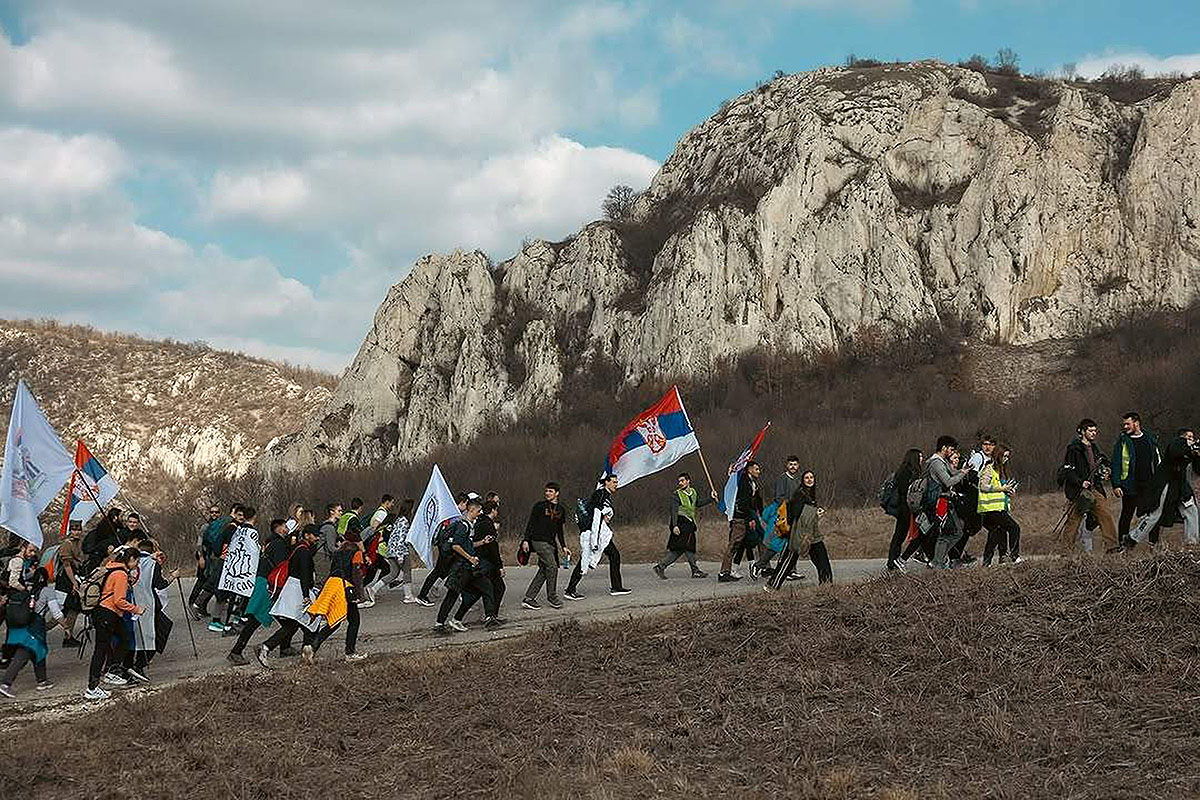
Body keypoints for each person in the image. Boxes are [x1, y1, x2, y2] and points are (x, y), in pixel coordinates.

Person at [84, 547, 145, 701]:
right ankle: (92, 687)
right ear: (130, 559)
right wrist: (136, 609)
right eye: (136, 560)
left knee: (124, 639)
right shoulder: (120, 574)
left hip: (109, 613)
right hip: (107, 613)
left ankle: (112, 671)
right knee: (101, 649)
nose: (137, 564)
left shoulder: (113, 568)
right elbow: (119, 600)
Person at [228, 519, 293, 665]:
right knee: (257, 620)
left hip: (263, 582)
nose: (287, 528)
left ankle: (285, 647)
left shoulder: (272, 543)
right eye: (285, 526)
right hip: (268, 585)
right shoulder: (279, 545)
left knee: (282, 619)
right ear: (279, 528)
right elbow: (281, 567)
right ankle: (236, 651)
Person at [434, 498, 504, 632]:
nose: (479, 514)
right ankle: (439, 624)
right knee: (452, 595)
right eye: (478, 511)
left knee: (484, 588)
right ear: (471, 510)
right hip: (461, 568)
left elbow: (467, 544)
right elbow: (456, 546)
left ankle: (471, 619)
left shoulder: (470, 526)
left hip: (470, 569)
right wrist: (470, 558)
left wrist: (482, 542)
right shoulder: (463, 526)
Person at [257, 525, 320, 668]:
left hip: (293, 589)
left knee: (300, 624)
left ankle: (305, 653)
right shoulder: (304, 551)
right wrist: (306, 596)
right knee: (307, 622)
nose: (317, 538)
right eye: (315, 535)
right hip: (297, 591)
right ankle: (267, 648)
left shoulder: (298, 548)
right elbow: (304, 574)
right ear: (307, 535)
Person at [1128, 428, 1200, 548]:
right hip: (1164, 484)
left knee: (1191, 510)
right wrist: (1191, 448)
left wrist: (1197, 455)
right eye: (1189, 437)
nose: (1191, 440)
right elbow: (1175, 452)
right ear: (1182, 437)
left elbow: (1198, 469)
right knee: (1155, 514)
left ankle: (1191, 544)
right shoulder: (1177, 443)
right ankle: (1131, 539)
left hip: (1180, 486)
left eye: (1193, 438)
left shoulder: (1189, 450)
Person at [564, 475, 629, 600]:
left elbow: (599, 511)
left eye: (617, 482)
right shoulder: (600, 494)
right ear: (606, 483)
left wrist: (605, 515)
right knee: (586, 560)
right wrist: (603, 515)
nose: (616, 484)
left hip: (600, 533)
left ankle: (616, 587)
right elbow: (595, 511)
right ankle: (570, 590)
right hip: (594, 533)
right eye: (614, 482)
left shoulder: (604, 495)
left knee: (614, 555)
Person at [0, 567, 62, 698]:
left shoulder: (28, 590)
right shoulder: (48, 591)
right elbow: (56, 613)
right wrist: (66, 627)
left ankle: (42, 680)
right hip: (35, 628)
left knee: (39, 651)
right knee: (24, 653)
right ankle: (6, 684)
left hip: (23, 626)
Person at [306, 531, 367, 662]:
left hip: (331, 584)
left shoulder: (338, 552)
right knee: (354, 621)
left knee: (335, 620)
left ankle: (312, 647)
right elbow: (356, 573)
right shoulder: (356, 552)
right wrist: (360, 594)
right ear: (356, 542)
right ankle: (350, 653)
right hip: (344, 587)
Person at [1059, 419, 1119, 552]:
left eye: (1095, 431)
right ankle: (1065, 551)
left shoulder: (1095, 448)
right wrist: (1080, 482)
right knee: (1074, 521)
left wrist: (1106, 470)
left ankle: (1112, 547)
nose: (1093, 433)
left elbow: (1104, 462)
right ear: (1082, 431)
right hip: (1079, 491)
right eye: (1090, 430)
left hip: (1095, 488)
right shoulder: (1073, 449)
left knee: (1105, 514)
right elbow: (1068, 470)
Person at [125, 539, 178, 682]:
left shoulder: (127, 561)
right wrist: (173, 576)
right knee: (156, 634)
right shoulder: (152, 564)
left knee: (134, 636)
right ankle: (139, 665)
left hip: (129, 605)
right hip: (149, 605)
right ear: (152, 550)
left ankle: (129, 666)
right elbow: (160, 585)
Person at [767, 471, 831, 588]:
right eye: (806, 478)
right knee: (788, 560)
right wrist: (815, 513)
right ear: (802, 480)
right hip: (797, 533)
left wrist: (814, 513)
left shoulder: (810, 494)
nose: (809, 480)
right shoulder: (799, 494)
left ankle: (826, 586)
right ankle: (772, 586)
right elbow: (797, 513)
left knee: (821, 558)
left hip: (810, 533)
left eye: (811, 477)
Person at [654, 472, 716, 579]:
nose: (680, 483)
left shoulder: (693, 492)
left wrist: (711, 498)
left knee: (681, 548)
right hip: (681, 522)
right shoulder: (676, 495)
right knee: (688, 547)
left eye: (682, 481)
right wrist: (674, 526)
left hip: (690, 522)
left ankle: (661, 566)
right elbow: (673, 511)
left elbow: (697, 504)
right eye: (679, 481)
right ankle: (695, 571)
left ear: (688, 481)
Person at [1113, 412, 1161, 548]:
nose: (1125, 426)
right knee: (1126, 515)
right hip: (1129, 485)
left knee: (1152, 516)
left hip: (1149, 485)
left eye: (1128, 423)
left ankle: (1153, 545)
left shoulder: (1150, 439)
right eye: (1124, 424)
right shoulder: (1122, 441)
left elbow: (1157, 460)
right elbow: (1116, 463)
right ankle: (1123, 545)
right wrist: (1116, 484)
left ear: (1136, 423)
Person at [415, 494, 470, 607]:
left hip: (445, 547)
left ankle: (431, 590)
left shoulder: (449, 511)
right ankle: (422, 595)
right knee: (438, 572)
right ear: (463, 502)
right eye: (466, 504)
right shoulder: (455, 515)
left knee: (443, 571)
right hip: (447, 548)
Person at [520, 483, 568, 610]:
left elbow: (559, 530)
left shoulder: (561, 509)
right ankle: (552, 597)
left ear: (557, 493)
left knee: (544, 570)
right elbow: (531, 524)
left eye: (550, 491)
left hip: (551, 543)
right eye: (546, 491)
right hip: (538, 541)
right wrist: (525, 540)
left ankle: (529, 598)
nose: (547, 493)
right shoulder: (539, 506)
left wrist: (563, 546)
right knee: (552, 567)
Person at [926, 436, 971, 569]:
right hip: (940, 502)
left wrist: (963, 470)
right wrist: (962, 474)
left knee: (955, 532)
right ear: (944, 447)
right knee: (948, 533)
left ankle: (937, 560)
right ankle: (936, 562)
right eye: (951, 449)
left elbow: (952, 472)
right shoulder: (936, 463)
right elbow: (948, 481)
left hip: (946, 501)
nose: (952, 452)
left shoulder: (942, 461)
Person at [719, 461, 763, 582]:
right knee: (734, 544)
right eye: (756, 469)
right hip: (740, 517)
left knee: (753, 541)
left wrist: (761, 513)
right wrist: (750, 519)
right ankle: (724, 572)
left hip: (748, 516)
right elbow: (744, 503)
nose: (759, 471)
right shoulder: (743, 482)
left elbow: (756, 500)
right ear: (749, 469)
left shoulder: (752, 482)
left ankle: (762, 567)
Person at [978, 444, 1021, 566]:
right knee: (1014, 527)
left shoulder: (1002, 471)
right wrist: (1001, 488)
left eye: (1008, 456)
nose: (1006, 459)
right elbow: (983, 486)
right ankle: (1014, 555)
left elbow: (1002, 490)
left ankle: (988, 562)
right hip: (990, 509)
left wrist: (1009, 490)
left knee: (996, 533)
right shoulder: (989, 469)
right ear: (998, 455)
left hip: (998, 508)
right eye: (1004, 456)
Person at [886, 449, 923, 572]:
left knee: (900, 535)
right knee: (899, 535)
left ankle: (894, 560)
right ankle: (892, 561)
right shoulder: (906, 472)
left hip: (906, 507)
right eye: (920, 457)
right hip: (904, 508)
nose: (922, 459)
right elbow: (904, 490)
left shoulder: (908, 471)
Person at [55, 520, 87, 647]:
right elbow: (67, 565)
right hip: (65, 580)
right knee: (60, 610)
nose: (77, 532)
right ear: (70, 530)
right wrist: (74, 582)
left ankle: (68, 637)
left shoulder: (78, 543)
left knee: (73, 608)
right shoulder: (67, 544)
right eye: (74, 529)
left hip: (73, 577)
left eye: (78, 529)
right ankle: (37, 630)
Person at [188, 505, 221, 612]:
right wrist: (201, 557)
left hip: (214, 557)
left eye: (216, 512)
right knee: (202, 580)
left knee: (211, 582)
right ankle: (192, 603)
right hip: (205, 555)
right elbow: (199, 543)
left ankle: (202, 607)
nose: (214, 514)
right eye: (212, 512)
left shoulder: (220, 526)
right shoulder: (205, 527)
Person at [384, 499, 417, 602]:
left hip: (391, 550)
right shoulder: (405, 522)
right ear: (409, 509)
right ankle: (408, 596)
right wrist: (400, 556)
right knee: (407, 572)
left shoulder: (398, 519)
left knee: (393, 573)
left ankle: (372, 589)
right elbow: (400, 539)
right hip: (401, 551)